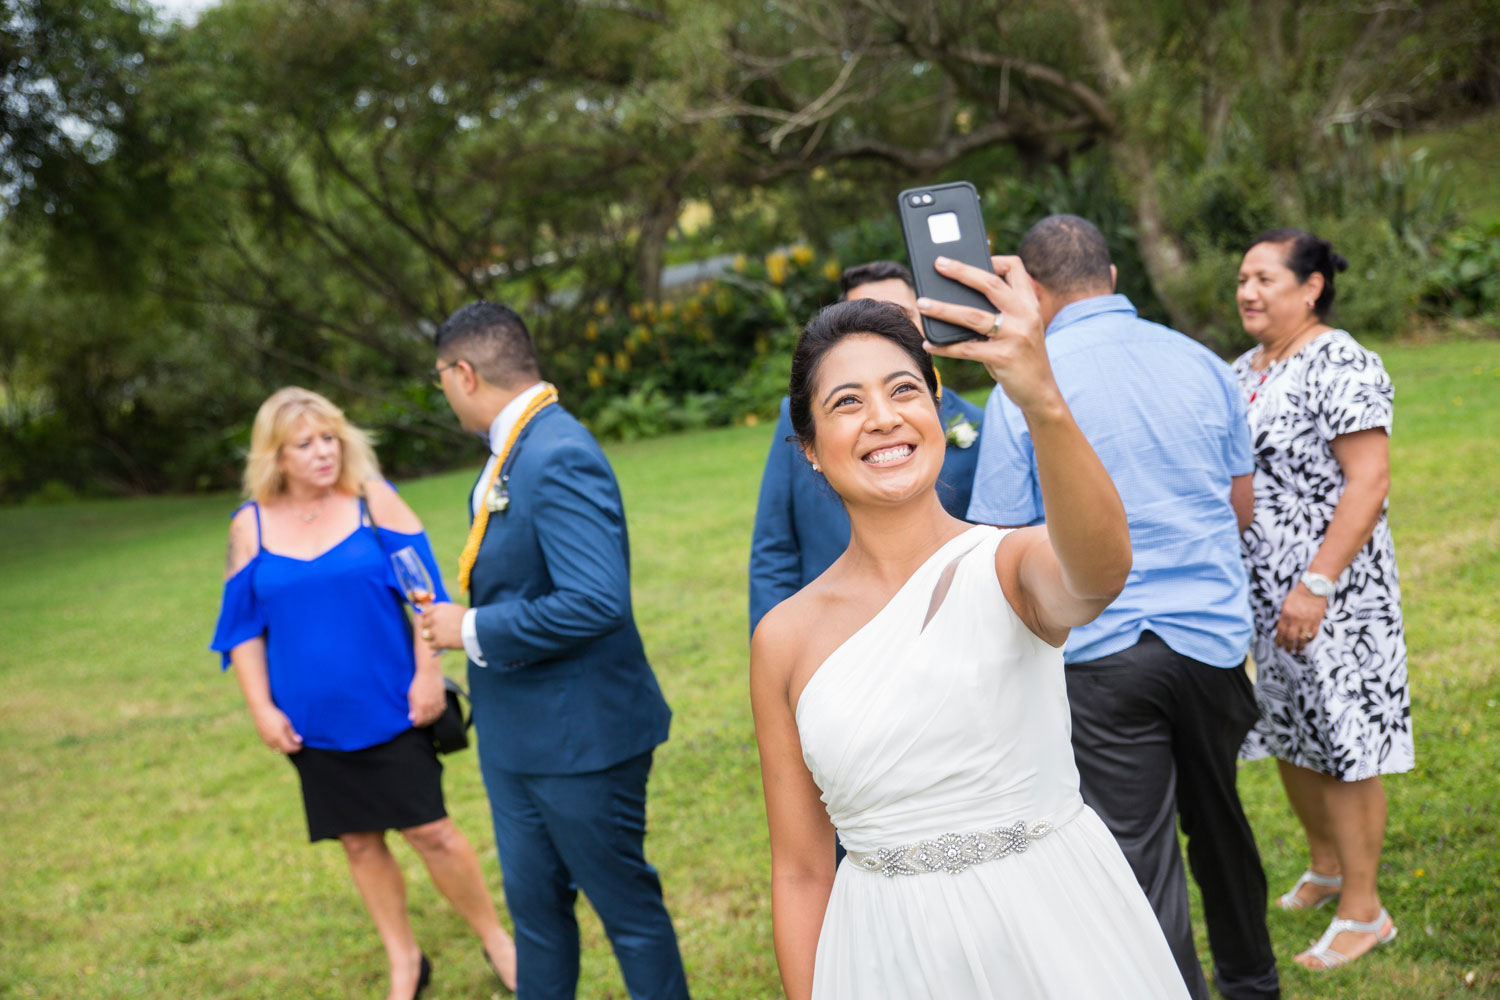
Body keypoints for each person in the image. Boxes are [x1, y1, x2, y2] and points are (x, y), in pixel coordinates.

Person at [750, 257, 1191, 999]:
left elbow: (1100, 571)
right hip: (888, 955)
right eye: (847, 402)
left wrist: (1040, 397)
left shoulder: (1010, 565)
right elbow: (798, 870)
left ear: (936, 412)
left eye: (903, 391)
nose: (884, 418)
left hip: (1057, 932)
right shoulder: (785, 639)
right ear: (809, 450)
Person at [965, 215, 1278, 1000]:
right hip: (1209, 642)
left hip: (1098, 651)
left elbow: (1002, 537)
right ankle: (1253, 983)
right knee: (1222, 827)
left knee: (1137, 850)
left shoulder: (1022, 387)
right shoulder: (1203, 363)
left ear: (1031, 291)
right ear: (1111, 278)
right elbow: (1239, 506)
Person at [419, 302, 690, 1000]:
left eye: (440, 377)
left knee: (627, 915)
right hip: (515, 736)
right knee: (536, 918)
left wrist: (468, 629)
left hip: (583, 739)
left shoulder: (557, 451)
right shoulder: (515, 447)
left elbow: (597, 600)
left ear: (464, 372)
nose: (443, 390)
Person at [210, 387, 518, 1000]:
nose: (323, 452)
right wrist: (261, 708)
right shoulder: (249, 526)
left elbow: (426, 597)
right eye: (305, 443)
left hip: (394, 705)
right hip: (311, 721)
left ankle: (498, 941)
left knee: (431, 830)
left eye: (330, 438)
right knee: (357, 839)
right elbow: (242, 629)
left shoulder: (374, 505)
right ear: (276, 456)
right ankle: (404, 960)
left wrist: (428, 674)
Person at [1233, 228, 1410, 970]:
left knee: (1344, 740)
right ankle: (1327, 865)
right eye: (1242, 278)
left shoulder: (1341, 361)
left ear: (1310, 288)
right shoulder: (1241, 368)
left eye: (1265, 278)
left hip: (1333, 594)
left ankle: (1365, 912)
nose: (1247, 291)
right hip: (1262, 595)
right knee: (1288, 728)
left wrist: (1316, 585)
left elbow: (1368, 480)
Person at [749, 260, 983, 633]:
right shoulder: (799, 420)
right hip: (827, 628)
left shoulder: (977, 424)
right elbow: (773, 547)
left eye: (899, 315)